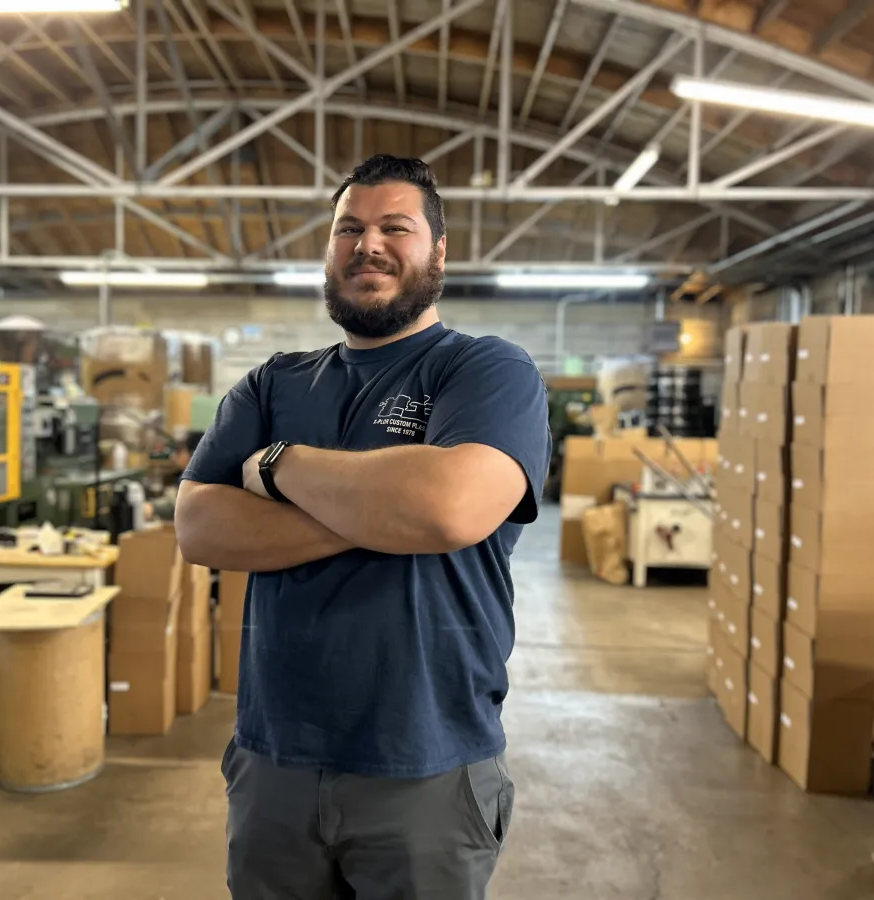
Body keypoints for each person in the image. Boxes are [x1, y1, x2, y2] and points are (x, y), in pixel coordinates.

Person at [175, 154, 552, 899]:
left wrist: (280, 466)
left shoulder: (487, 372)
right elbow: (199, 528)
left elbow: (448, 508)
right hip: (274, 760)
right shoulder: (272, 383)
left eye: (394, 228)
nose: (367, 244)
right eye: (348, 228)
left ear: (438, 251)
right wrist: (385, 512)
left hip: (426, 761)